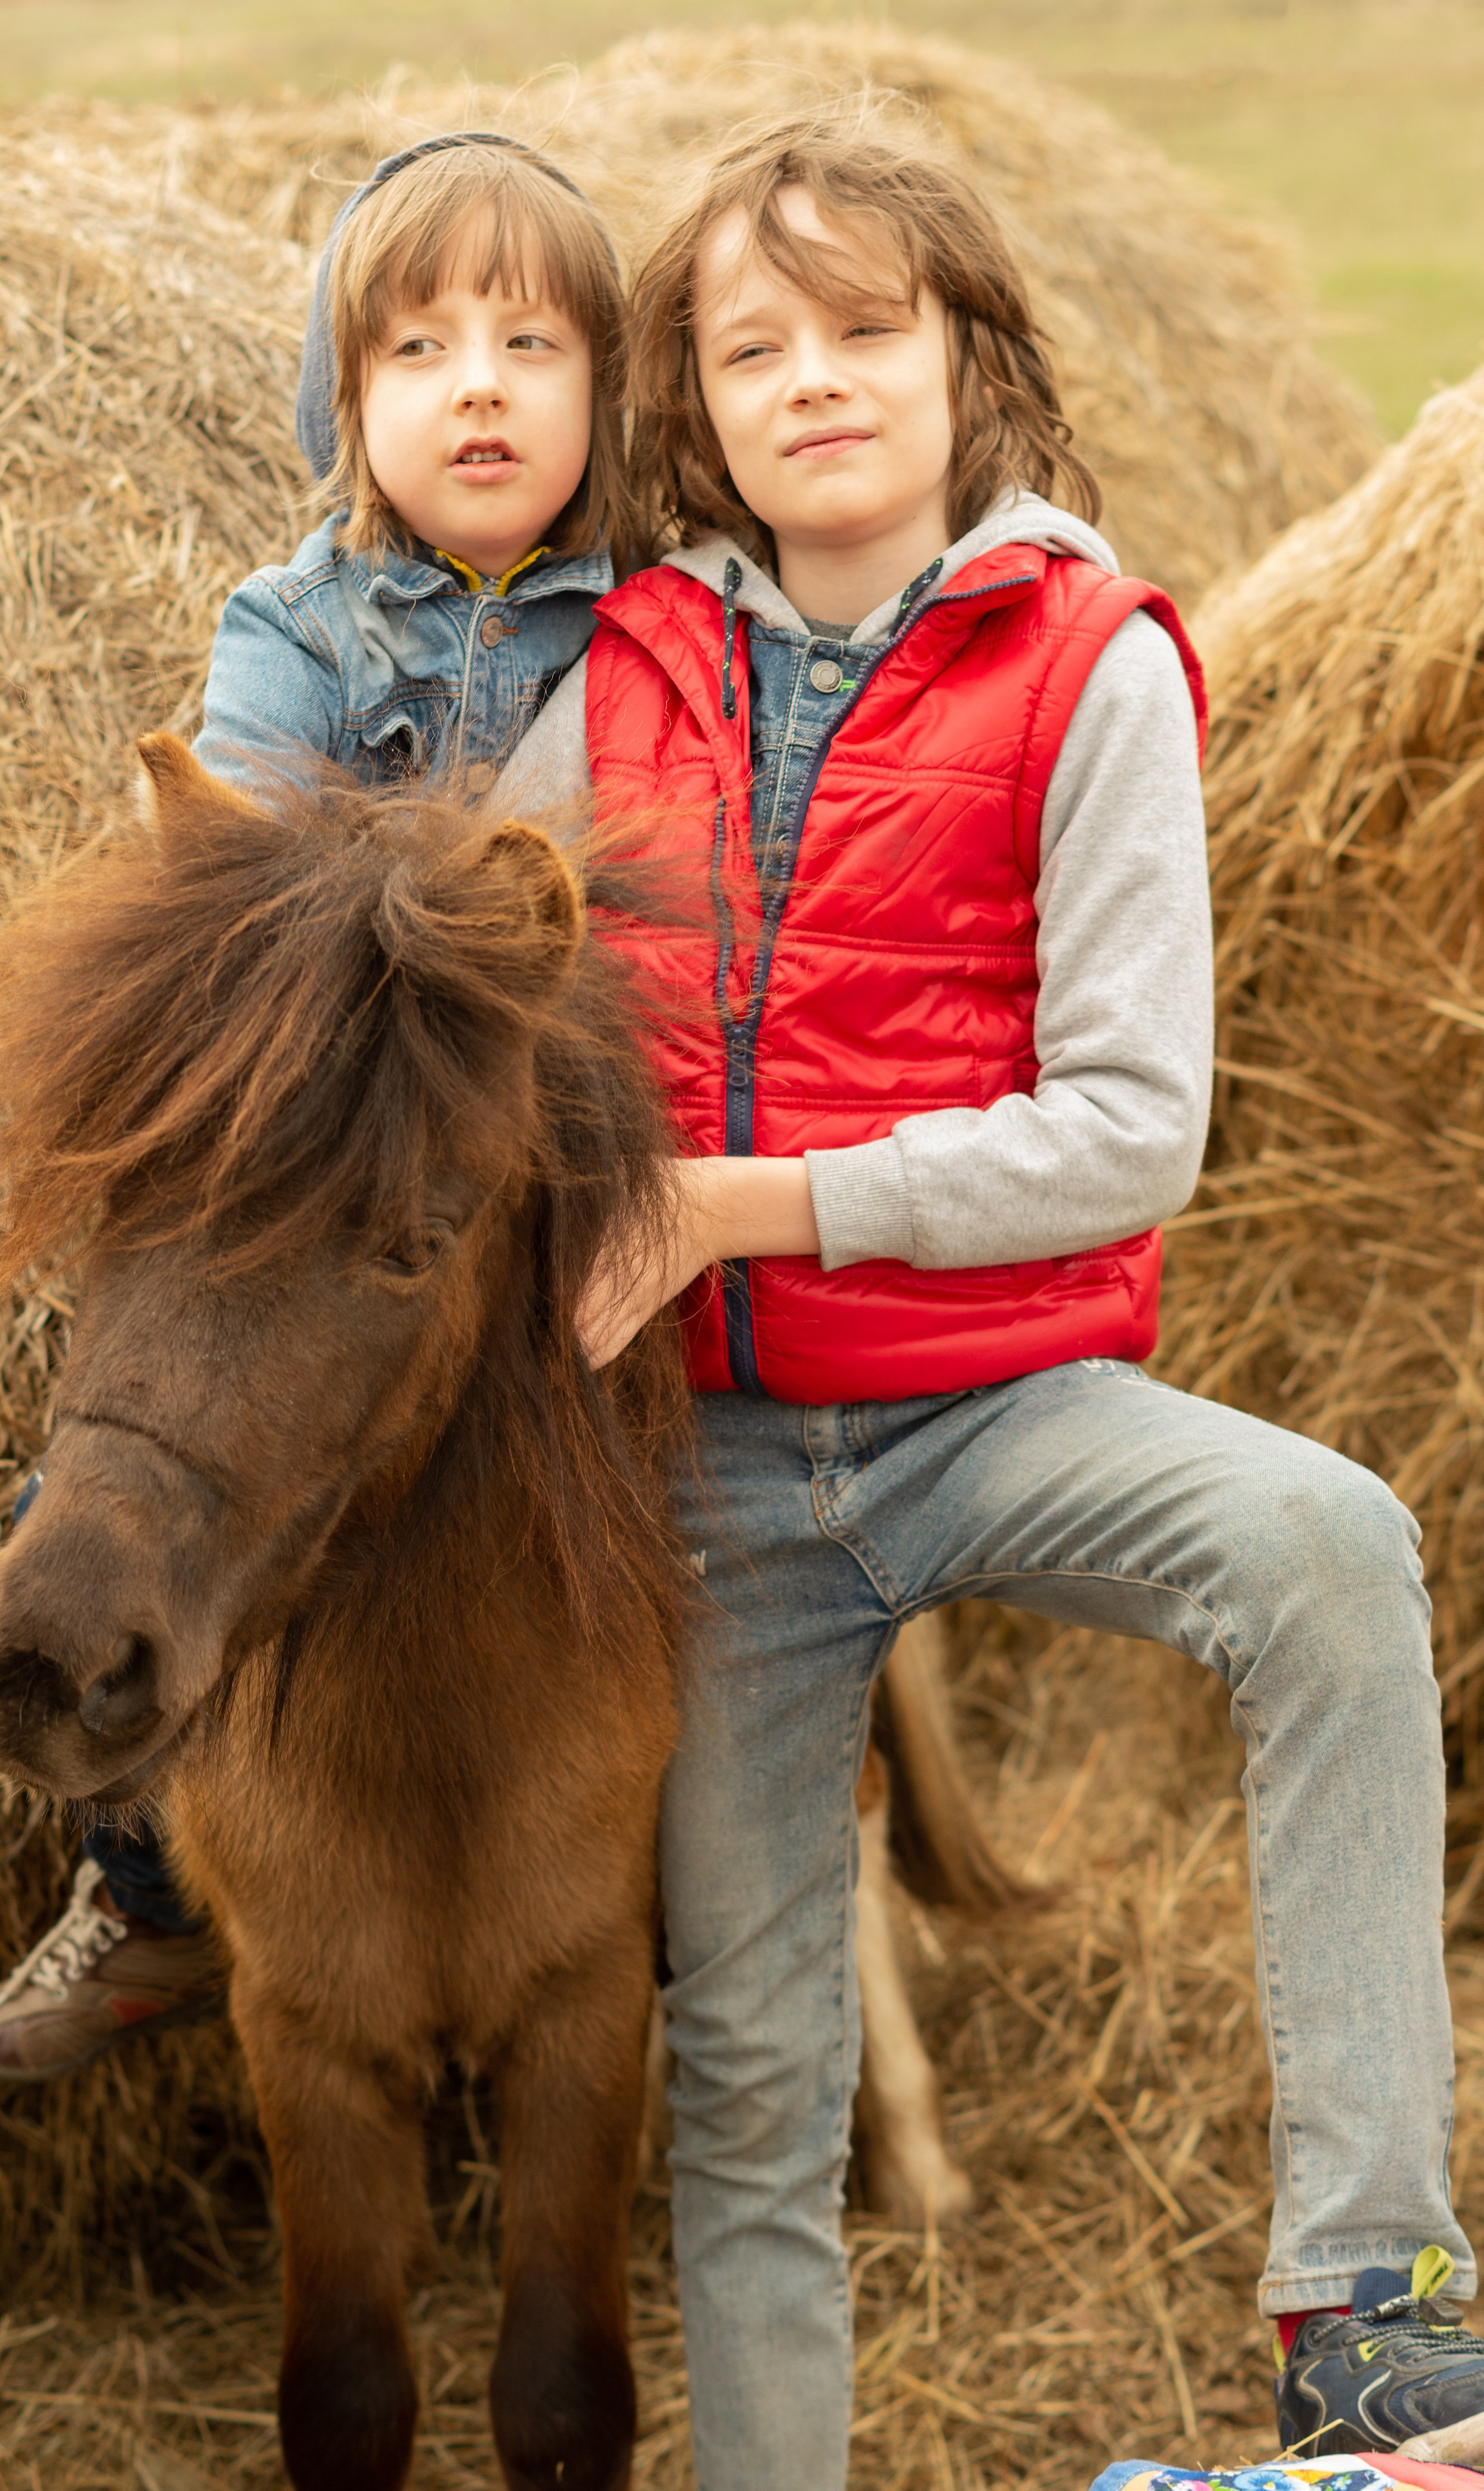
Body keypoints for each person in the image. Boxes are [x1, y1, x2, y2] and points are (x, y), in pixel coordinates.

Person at [493, 104, 1484, 2481]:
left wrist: (748, 1208)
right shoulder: (616, 674)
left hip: (995, 1408)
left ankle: (1379, 2312)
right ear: (694, 410)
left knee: (1336, 1541)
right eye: (755, 344)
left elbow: (1134, 1122)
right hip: (713, 1486)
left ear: (966, 361)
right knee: (749, 2088)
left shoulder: (1091, 662)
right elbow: (455, 963)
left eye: (866, 326)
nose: (815, 377)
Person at [0, 128, 637, 2083]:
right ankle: (148, 1889)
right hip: (346, 1127)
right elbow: (226, 861)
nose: (476, 384)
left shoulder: (665, 621)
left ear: (611, 392)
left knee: (725, 1483)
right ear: (346, 406)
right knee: (119, 1464)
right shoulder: (295, 625)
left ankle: (697, 1853)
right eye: (415, 350)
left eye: (530, 343)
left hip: (568, 1146)